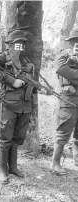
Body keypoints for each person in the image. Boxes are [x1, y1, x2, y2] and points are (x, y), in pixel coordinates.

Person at [0, 30, 37, 184]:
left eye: (22, 44)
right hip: (8, 106)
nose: (20, 47)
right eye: (17, 43)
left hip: (24, 107)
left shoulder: (27, 62)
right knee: (5, 139)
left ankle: (13, 167)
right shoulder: (2, 58)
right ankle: (3, 171)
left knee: (17, 138)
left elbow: (32, 85)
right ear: (9, 45)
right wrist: (11, 80)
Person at [51, 28, 78, 175]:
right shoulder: (65, 54)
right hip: (69, 100)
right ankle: (55, 163)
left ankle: (76, 160)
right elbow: (60, 68)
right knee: (63, 132)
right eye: (75, 41)